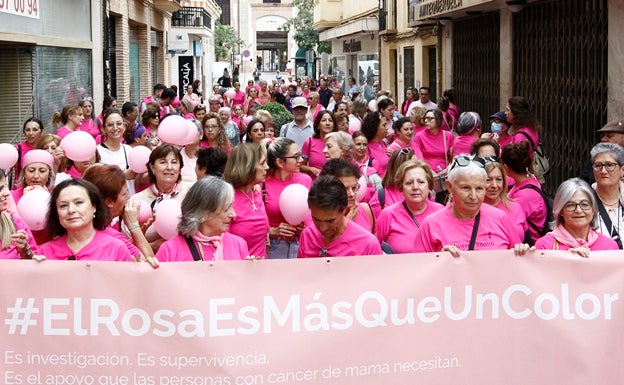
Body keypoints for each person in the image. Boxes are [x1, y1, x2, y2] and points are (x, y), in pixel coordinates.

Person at [414, 156, 524, 256]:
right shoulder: (431, 225)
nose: (473, 196)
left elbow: (518, 262)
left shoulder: (500, 218)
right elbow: (419, 270)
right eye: (465, 188)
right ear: (450, 186)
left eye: (479, 188)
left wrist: (523, 251)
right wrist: (439, 261)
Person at [155, 176, 249, 262]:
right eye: (226, 209)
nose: (233, 214)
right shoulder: (170, 250)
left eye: (232, 207)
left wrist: (253, 271)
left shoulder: (239, 245)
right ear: (203, 214)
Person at [39, 179, 134, 261]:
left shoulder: (116, 248)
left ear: (94, 207)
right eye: (63, 205)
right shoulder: (45, 252)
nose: (71, 210)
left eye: (79, 203)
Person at [82, 164, 156, 265]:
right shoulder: (107, 233)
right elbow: (150, 264)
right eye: (125, 193)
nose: (129, 197)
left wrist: (138, 235)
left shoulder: (88, 227)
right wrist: (134, 226)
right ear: (109, 201)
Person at [297, 175, 381, 258]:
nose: (323, 228)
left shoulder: (368, 244)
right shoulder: (307, 235)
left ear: (344, 209)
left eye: (330, 221)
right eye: (316, 219)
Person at [535, 178, 619, 255]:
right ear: (561, 211)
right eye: (571, 205)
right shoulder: (544, 246)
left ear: (593, 209)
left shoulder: (609, 246)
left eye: (584, 204)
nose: (578, 210)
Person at [376, 159, 443, 254]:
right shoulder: (388, 215)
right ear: (401, 188)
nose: (415, 187)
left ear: (429, 186)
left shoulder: (440, 211)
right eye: (409, 183)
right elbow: (375, 248)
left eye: (421, 182)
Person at [132, 145, 189, 251]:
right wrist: (153, 247)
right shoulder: (137, 200)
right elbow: (129, 244)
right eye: (163, 162)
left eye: (174, 162)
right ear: (152, 167)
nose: (169, 167)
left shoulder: (190, 195)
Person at [265, 137, 312, 259]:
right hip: (274, 247)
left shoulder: (305, 180)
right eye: (296, 156)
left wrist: (306, 228)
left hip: (301, 243)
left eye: (301, 155)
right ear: (280, 162)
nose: (301, 160)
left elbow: (313, 212)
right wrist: (271, 231)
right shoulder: (263, 184)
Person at [223, 143, 270, 258]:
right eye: (262, 163)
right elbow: (222, 244)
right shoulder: (226, 199)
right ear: (247, 166)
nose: (267, 167)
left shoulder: (257, 192)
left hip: (260, 269)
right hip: (237, 270)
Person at [501, 142, 549, 245]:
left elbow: (508, 222)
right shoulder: (530, 178)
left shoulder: (525, 196)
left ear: (506, 167)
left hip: (529, 246)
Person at [318, 159, 375, 232]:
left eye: (354, 188)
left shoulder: (365, 210)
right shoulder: (317, 217)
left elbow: (374, 241)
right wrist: (347, 222)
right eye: (344, 189)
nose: (351, 194)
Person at [414, 109, 455, 202]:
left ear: (438, 120)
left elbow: (453, 157)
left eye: (430, 118)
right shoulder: (419, 136)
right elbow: (418, 158)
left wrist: (448, 169)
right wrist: (431, 172)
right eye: (425, 118)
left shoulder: (448, 135)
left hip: (444, 176)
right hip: (426, 175)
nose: (426, 121)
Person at [589, 142, 624, 248]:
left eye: (609, 165)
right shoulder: (584, 202)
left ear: (622, 170)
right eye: (598, 166)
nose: (603, 171)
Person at [483, 158, 527, 241]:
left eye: (499, 179)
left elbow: (527, 242)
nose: (494, 185)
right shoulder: (473, 210)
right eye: (488, 180)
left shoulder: (515, 207)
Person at [0, 169, 39, 259]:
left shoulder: (16, 222)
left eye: (5, 187)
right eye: (0, 189)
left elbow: (35, 264)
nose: (6, 194)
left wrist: (25, 250)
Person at [368, 148, 416, 218]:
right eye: (413, 166)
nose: (418, 169)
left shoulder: (424, 193)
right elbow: (375, 226)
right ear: (399, 169)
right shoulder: (381, 197)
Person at [97, 109, 132, 177]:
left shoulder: (128, 150)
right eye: (110, 125)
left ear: (124, 127)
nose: (115, 128)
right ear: (104, 129)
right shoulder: (97, 152)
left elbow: (134, 183)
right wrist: (124, 176)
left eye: (119, 124)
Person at [301, 111, 336, 179]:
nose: (327, 123)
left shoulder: (339, 143)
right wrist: (310, 169)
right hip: (315, 185)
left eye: (330, 120)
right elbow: (300, 166)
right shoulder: (309, 142)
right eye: (323, 120)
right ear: (318, 125)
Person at [12, 117, 44, 182]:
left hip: (42, 189)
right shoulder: (17, 149)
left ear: (42, 132)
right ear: (24, 132)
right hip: (21, 189)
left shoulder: (47, 148)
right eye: (28, 130)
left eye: (35, 130)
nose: (31, 133)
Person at [360, 111, 390, 177]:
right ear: (375, 127)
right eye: (384, 125)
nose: (387, 128)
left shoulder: (383, 143)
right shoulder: (366, 147)